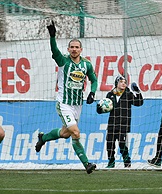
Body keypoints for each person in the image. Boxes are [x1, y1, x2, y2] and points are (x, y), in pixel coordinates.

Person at [35, 21, 98, 174]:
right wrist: (52, 36)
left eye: (77, 47)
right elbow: (55, 51)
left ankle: (42, 138)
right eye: (72, 47)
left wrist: (92, 92)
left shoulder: (86, 64)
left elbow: (94, 80)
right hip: (64, 103)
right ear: (68, 49)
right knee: (76, 132)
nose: (74, 49)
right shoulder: (63, 61)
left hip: (78, 105)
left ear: (81, 49)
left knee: (65, 134)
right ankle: (87, 164)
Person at [97, 75, 144, 168]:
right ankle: (111, 162)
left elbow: (139, 103)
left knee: (122, 144)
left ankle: (127, 162)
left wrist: (138, 92)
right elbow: (103, 108)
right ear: (116, 83)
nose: (124, 84)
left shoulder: (128, 94)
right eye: (121, 82)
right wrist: (99, 108)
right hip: (112, 124)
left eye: (125, 82)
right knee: (110, 144)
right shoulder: (110, 94)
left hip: (123, 124)